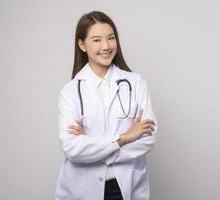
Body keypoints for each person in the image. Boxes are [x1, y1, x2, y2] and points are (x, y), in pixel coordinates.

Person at [54, 11, 157, 200]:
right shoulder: (70, 92)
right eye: (96, 40)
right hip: (82, 189)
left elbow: (148, 138)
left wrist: (93, 146)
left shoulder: (136, 83)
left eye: (111, 38)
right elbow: (72, 149)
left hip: (127, 186)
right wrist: (124, 138)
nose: (106, 46)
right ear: (82, 45)